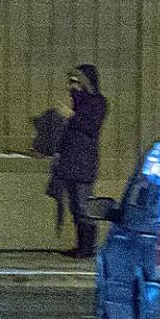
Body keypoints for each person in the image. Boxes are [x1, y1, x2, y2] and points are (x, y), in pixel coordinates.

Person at [50, 64, 107, 259]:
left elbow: (91, 127)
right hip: (70, 159)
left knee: (83, 205)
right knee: (74, 206)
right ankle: (80, 244)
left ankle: (88, 247)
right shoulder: (77, 102)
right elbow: (67, 133)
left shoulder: (97, 102)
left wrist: (72, 116)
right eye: (70, 82)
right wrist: (58, 152)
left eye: (75, 81)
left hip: (84, 161)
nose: (71, 86)